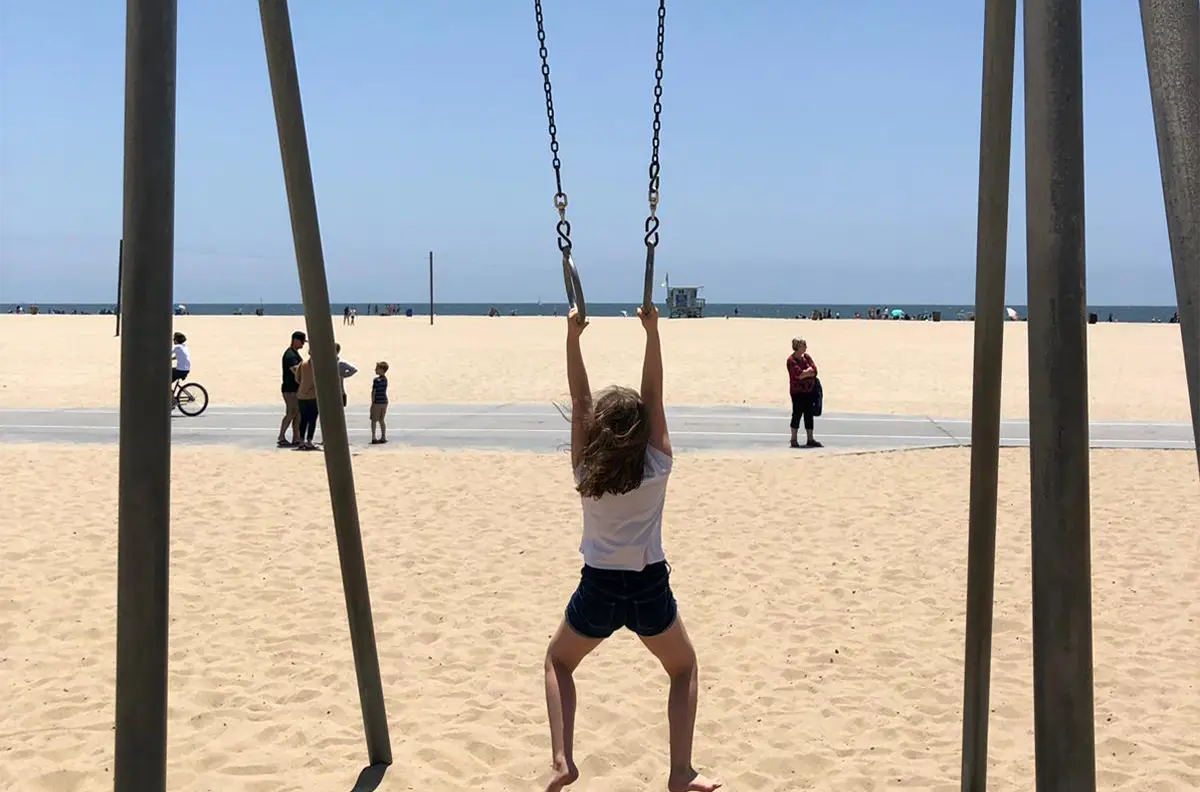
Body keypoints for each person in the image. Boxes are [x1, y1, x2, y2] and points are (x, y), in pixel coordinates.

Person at [542, 305, 721, 792]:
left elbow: (580, 402)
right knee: (682, 668)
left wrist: (573, 339)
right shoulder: (657, 465)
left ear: (599, 430)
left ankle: (563, 761)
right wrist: (652, 332)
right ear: (641, 430)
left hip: (598, 584)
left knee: (559, 663)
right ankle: (681, 772)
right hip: (648, 586)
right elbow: (655, 395)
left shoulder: (586, 471)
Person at [786, 338, 822, 449]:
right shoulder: (791, 360)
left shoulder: (806, 357)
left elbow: (815, 370)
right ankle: (793, 439)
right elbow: (799, 374)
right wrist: (807, 372)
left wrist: (808, 373)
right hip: (797, 391)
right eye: (803, 345)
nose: (805, 347)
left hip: (809, 390)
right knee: (797, 414)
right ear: (798, 347)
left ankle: (810, 439)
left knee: (809, 414)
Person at [278, 331, 306, 447]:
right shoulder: (290, 355)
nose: (303, 345)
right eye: (302, 342)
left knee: (298, 413)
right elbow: (294, 369)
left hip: (296, 388)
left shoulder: (295, 354)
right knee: (291, 412)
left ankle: (296, 437)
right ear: (295, 340)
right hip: (290, 388)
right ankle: (281, 436)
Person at [292, 354, 320, 451]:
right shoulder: (319, 365)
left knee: (303, 419)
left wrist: (304, 385)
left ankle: (301, 440)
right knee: (312, 419)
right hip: (313, 396)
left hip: (302, 394)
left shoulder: (302, 364)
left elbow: (297, 378)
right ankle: (309, 441)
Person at [370, 361, 389, 444]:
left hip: (377, 402)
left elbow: (374, 392)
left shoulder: (376, 380)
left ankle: (374, 437)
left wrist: (372, 402)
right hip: (384, 401)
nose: (375, 370)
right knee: (381, 420)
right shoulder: (385, 379)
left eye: (377, 368)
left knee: (374, 420)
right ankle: (383, 437)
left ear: (381, 369)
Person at [335, 343, 358, 408]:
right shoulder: (327, 362)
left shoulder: (341, 363)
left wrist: (343, 375)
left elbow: (354, 370)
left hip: (340, 392)